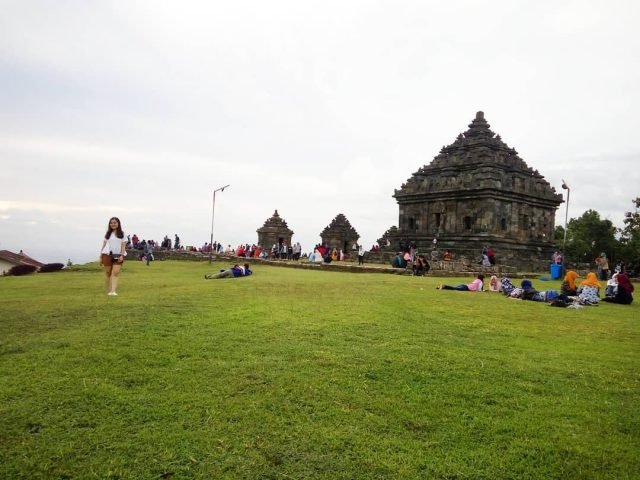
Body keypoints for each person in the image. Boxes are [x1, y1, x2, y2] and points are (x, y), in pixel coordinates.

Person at [100, 217, 127, 296]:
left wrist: (122, 255)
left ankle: (113, 291)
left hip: (117, 255)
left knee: (115, 272)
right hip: (107, 255)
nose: (113, 224)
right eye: (111, 223)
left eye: (115, 222)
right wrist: (100, 255)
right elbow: (104, 245)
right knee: (108, 273)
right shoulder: (108, 234)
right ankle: (109, 290)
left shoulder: (122, 234)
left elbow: (123, 246)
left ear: (118, 224)